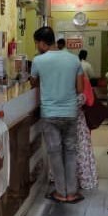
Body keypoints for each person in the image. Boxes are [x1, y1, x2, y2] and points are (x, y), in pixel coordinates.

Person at [31, 26, 86, 204]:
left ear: (41, 42)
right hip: (70, 112)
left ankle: (61, 192)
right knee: (70, 152)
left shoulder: (38, 61)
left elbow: (34, 84)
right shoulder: (74, 59)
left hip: (50, 113)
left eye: (36, 43)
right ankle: (71, 192)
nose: (36, 46)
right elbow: (79, 89)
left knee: (55, 153)